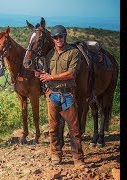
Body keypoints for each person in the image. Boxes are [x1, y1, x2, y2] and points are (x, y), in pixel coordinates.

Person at [35, 25, 85, 168]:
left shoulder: (73, 53)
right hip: (52, 95)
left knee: (74, 129)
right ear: (53, 39)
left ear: (65, 37)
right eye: (55, 37)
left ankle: (78, 158)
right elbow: (45, 73)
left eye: (60, 36)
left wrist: (50, 77)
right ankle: (56, 154)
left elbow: (71, 74)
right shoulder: (50, 54)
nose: (58, 39)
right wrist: (40, 74)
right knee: (53, 128)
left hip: (67, 94)